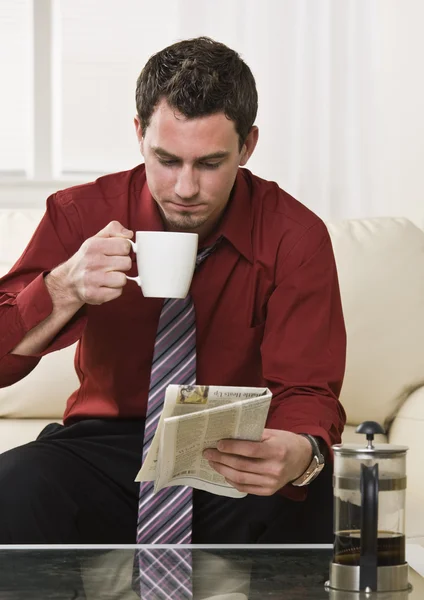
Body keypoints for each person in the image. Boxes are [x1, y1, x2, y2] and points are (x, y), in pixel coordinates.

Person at [0, 36, 346, 545]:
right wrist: (62, 287)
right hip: (105, 445)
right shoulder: (81, 214)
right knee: (12, 487)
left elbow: (307, 391)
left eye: (208, 164)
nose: (185, 189)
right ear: (139, 134)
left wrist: (300, 453)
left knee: (310, 494)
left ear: (247, 146)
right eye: (166, 159)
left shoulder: (295, 237)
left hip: (230, 447)